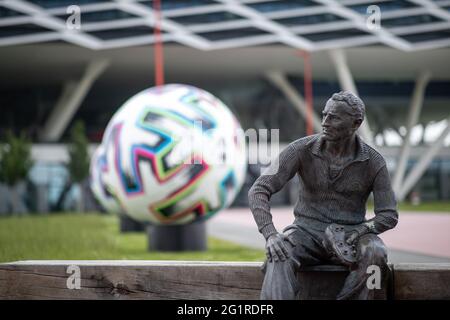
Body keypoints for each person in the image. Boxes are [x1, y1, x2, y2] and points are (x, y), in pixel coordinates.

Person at [248, 91, 398, 300]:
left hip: (351, 236)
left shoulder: (374, 162)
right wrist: (270, 234)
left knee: (375, 252)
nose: (325, 122)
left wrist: (360, 230)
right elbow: (258, 189)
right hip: (305, 233)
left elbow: (388, 215)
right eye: (324, 114)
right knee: (280, 253)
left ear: (356, 123)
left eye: (334, 117)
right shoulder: (300, 150)